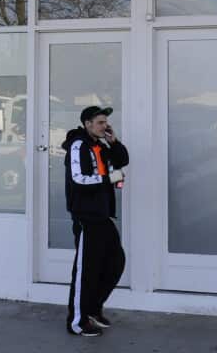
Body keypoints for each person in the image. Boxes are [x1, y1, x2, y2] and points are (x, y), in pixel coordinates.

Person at [63, 105, 129, 337]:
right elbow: (79, 179)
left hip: (102, 215)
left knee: (115, 261)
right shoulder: (78, 145)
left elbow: (123, 159)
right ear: (87, 123)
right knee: (86, 271)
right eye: (100, 122)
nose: (104, 126)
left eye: (105, 122)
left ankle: (92, 308)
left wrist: (114, 141)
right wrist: (109, 178)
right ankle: (78, 322)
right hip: (86, 217)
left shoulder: (100, 144)